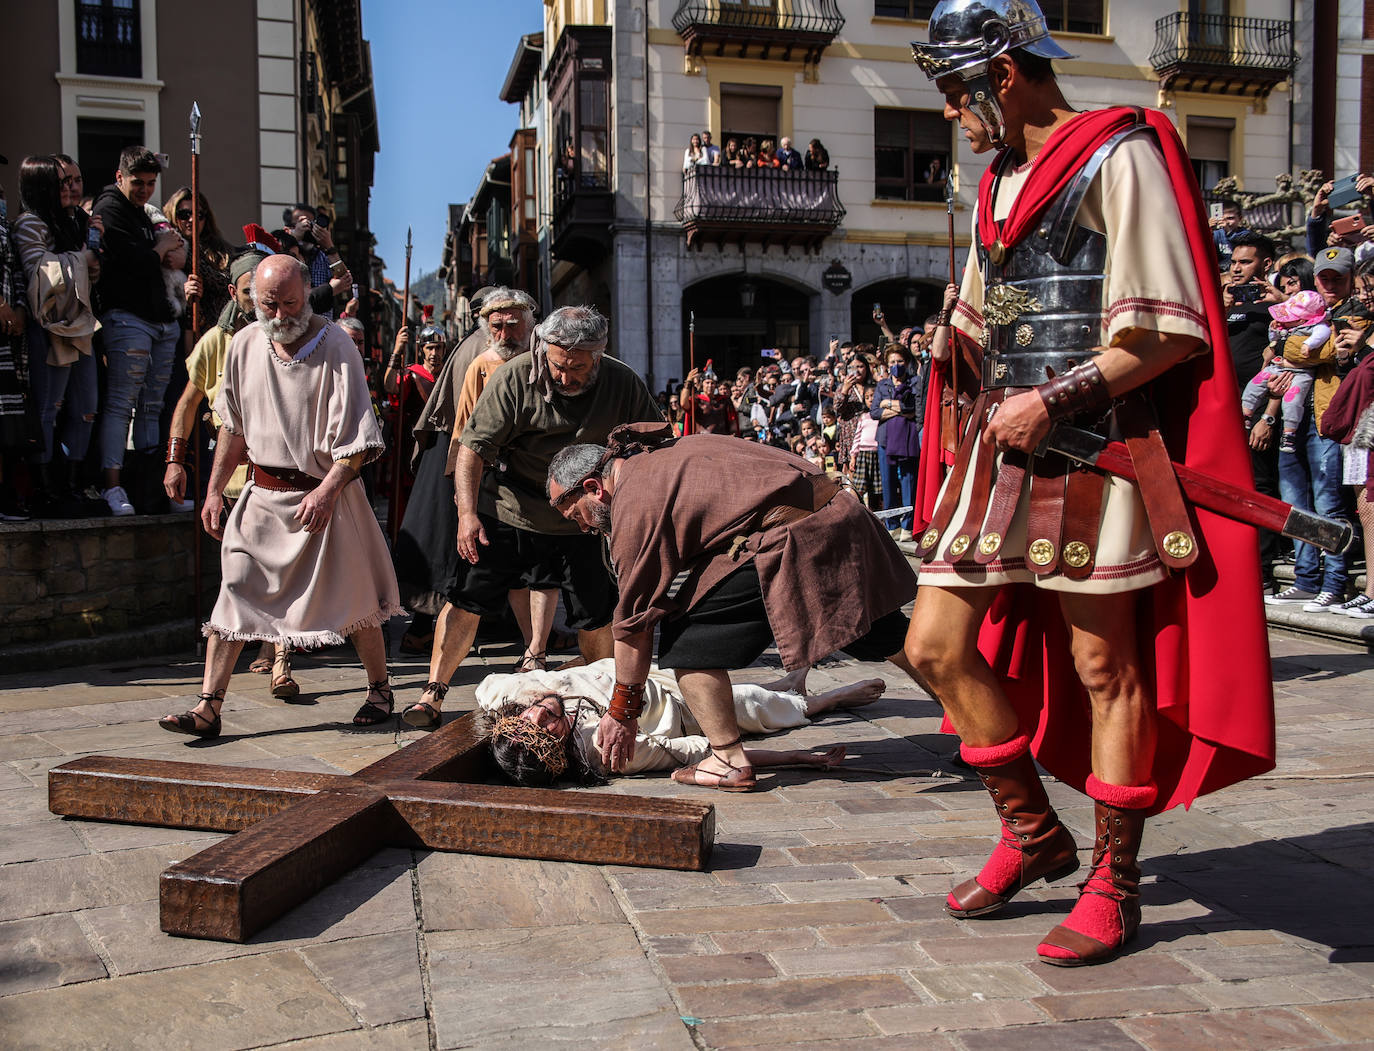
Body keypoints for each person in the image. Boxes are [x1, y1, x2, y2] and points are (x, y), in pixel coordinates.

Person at [908, 0, 1272, 967]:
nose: (950, 112)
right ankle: (1036, 833)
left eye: (955, 90)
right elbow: (992, 316)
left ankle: (1115, 878)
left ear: (1006, 72)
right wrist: (956, 344)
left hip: (1096, 452)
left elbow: (1168, 327)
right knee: (932, 645)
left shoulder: (1119, 154)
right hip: (1003, 449)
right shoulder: (997, 185)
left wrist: (1058, 398)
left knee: (1106, 668)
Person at [545, 423, 922, 790]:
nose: (583, 528)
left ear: (594, 488)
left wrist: (623, 713)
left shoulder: (632, 503)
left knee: (688, 646)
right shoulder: (657, 456)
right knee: (888, 636)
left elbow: (634, 623)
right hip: (840, 515)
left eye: (576, 515)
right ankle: (975, 723)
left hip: (796, 537)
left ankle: (727, 760)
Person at [157, 254, 402, 738]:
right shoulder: (244, 344)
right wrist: (211, 492)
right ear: (251, 299)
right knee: (234, 593)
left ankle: (379, 689)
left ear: (307, 296)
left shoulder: (336, 346)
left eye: (291, 303)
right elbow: (232, 428)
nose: (282, 314)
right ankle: (209, 706)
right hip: (261, 498)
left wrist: (329, 491)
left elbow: (360, 441)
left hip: (324, 498)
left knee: (353, 601)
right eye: (270, 303)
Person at [400, 305, 662, 730]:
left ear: (599, 355)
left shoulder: (621, 381)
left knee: (596, 614)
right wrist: (467, 514)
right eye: (559, 365)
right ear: (544, 349)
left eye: (579, 367)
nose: (567, 377)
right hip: (510, 507)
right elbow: (473, 449)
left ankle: (606, 700)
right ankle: (433, 691)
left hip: (582, 517)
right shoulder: (514, 376)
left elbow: (654, 442)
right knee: (466, 600)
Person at [479, 659, 884, 786]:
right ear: (562, 749)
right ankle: (823, 701)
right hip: (682, 713)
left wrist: (531, 691)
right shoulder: (609, 751)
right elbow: (698, 752)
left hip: (642, 675)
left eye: (526, 721)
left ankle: (784, 684)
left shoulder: (511, 697)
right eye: (545, 732)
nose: (541, 716)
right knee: (753, 705)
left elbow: (488, 685)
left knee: (743, 686)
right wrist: (799, 757)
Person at [1265, 246, 1361, 611]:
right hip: (1295, 418)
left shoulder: (1357, 313)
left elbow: (1311, 351)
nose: (1331, 284)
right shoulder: (1310, 312)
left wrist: (1285, 345)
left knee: (1328, 504)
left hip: (1327, 422)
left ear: (1351, 279)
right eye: (1325, 277)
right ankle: (1306, 579)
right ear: (1315, 280)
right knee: (1294, 502)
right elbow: (1277, 352)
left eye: (1339, 277)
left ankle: (1334, 584)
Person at [92, 146, 184, 516]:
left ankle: (149, 489)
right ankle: (113, 488)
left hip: (160, 320)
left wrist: (161, 248)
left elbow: (172, 254)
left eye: (150, 183)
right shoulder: (110, 208)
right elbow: (134, 261)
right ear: (119, 177)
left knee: (151, 407)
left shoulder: (143, 212)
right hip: (128, 318)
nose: (145, 189)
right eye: (137, 182)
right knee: (121, 404)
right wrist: (158, 247)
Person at [12, 155, 100, 517]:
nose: (68, 188)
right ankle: (46, 489)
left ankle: (73, 483)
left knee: (86, 408)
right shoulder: (30, 224)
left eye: (72, 181)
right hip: (49, 328)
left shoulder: (74, 221)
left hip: (82, 325)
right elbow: (40, 273)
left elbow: (94, 269)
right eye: (60, 182)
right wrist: (83, 258)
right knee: (50, 409)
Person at [1320, 257, 1374, 618]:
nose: (1365, 297)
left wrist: (1368, 343)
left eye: (1369, 289)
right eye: (1362, 290)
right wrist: (1346, 357)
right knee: (1366, 509)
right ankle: (1371, 588)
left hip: (1368, 428)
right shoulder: (1364, 324)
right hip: (1361, 429)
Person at [0, 171, 31, 521]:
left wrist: (19, 306)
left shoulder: (5, 223)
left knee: (8, 422)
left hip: (8, 338)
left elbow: (15, 270)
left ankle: (9, 496)